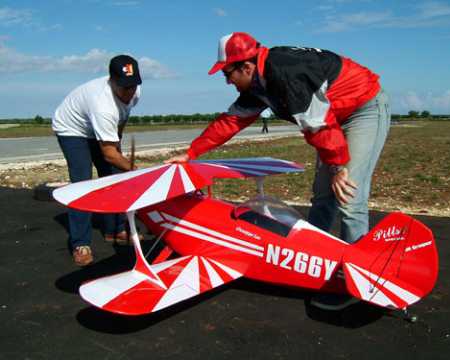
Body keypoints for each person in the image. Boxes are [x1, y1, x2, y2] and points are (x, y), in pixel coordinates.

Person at [166, 32, 391, 309]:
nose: (227, 81)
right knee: (322, 195)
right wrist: (191, 152)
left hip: (362, 108)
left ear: (246, 67)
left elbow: (318, 125)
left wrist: (338, 167)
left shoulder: (285, 73)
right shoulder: (257, 84)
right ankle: (316, 262)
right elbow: (230, 122)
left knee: (348, 195)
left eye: (227, 73)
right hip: (331, 118)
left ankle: (359, 281)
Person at [52, 55, 142, 266]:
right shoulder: (102, 104)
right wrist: (135, 169)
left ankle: (115, 229)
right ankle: (80, 243)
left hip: (97, 127)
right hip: (72, 128)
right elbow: (109, 153)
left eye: (132, 86)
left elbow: (122, 117)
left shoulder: (135, 90)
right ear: (111, 81)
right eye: (123, 87)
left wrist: (117, 140)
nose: (129, 92)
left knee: (113, 177)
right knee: (83, 183)